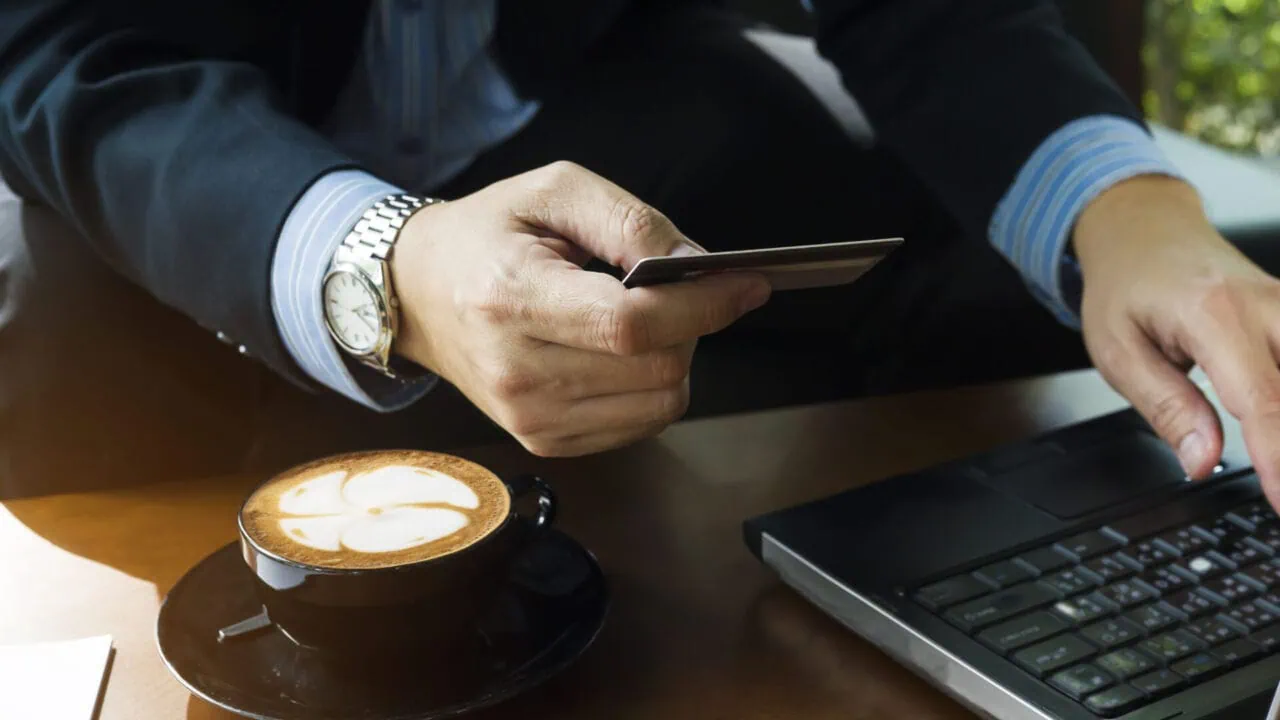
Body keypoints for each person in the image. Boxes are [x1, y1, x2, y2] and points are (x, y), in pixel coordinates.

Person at [3, 1, 1280, 505]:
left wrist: (1130, 214)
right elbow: (52, 54)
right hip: (161, 258)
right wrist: (384, 264)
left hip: (597, 128)